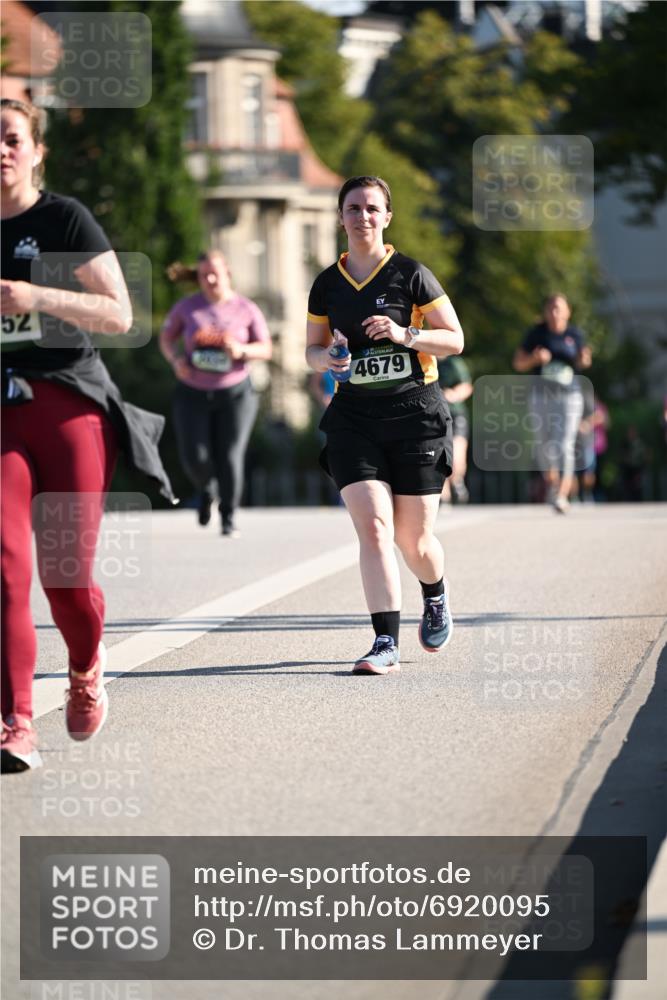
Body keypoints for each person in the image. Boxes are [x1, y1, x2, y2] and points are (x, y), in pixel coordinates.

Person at [1, 99, 175, 772]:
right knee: (7, 569)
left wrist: (37, 296)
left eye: (13, 139)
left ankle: (84, 666)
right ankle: (16, 722)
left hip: (69, 403)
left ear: (37, 151)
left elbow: (118, 312)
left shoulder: (62, 219)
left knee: (66, 577)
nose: (1, 150)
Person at [306, 175, 464, 675]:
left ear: (387, 216)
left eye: (372, 208)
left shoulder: (411, 275)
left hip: (415, 416)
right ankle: (384, 643)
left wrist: (405, 333)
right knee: (373, 527)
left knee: (412, 542)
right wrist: (327, 357)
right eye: (353, 208)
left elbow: (454, 339)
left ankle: (434, 593)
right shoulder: (327, 283)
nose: (362, 216)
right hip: (354, 418)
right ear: (341, 216)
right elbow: (311, 350)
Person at [159, 251, 272, 536]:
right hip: (193, 392)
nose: (209, 279)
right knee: (195, 457)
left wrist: (242, 350)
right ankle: (207, 490)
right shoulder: (187, 307)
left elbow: (266, 348)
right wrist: (176, 361)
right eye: (202, 274)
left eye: (214, 273)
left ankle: (229, 517)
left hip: (235, 392)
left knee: (231, 454)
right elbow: (166, 338)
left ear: (227, 274)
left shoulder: (246, 309)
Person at [513, 293, 592, 514]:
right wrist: (534, 359)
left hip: (569, 396)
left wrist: (584, 359)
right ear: (546, 312)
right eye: (551, 308)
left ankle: (561, 495)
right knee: (543, 445)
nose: (555, 313)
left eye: (559, 308)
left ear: (568, 312)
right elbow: (518, 363)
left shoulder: (575, 335)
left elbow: (583, 361)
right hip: (541, 395)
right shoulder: (536, 334)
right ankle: (553, 484)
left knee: (564, 443)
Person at [437, 354, 473, 504]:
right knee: (437, 457)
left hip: (454, 414)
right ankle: (443, 497)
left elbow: (466, 385)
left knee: (456, 455)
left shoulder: (452, 362)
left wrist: (453, 395)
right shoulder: (420, 358)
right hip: (433, 415)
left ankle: (457, 481)